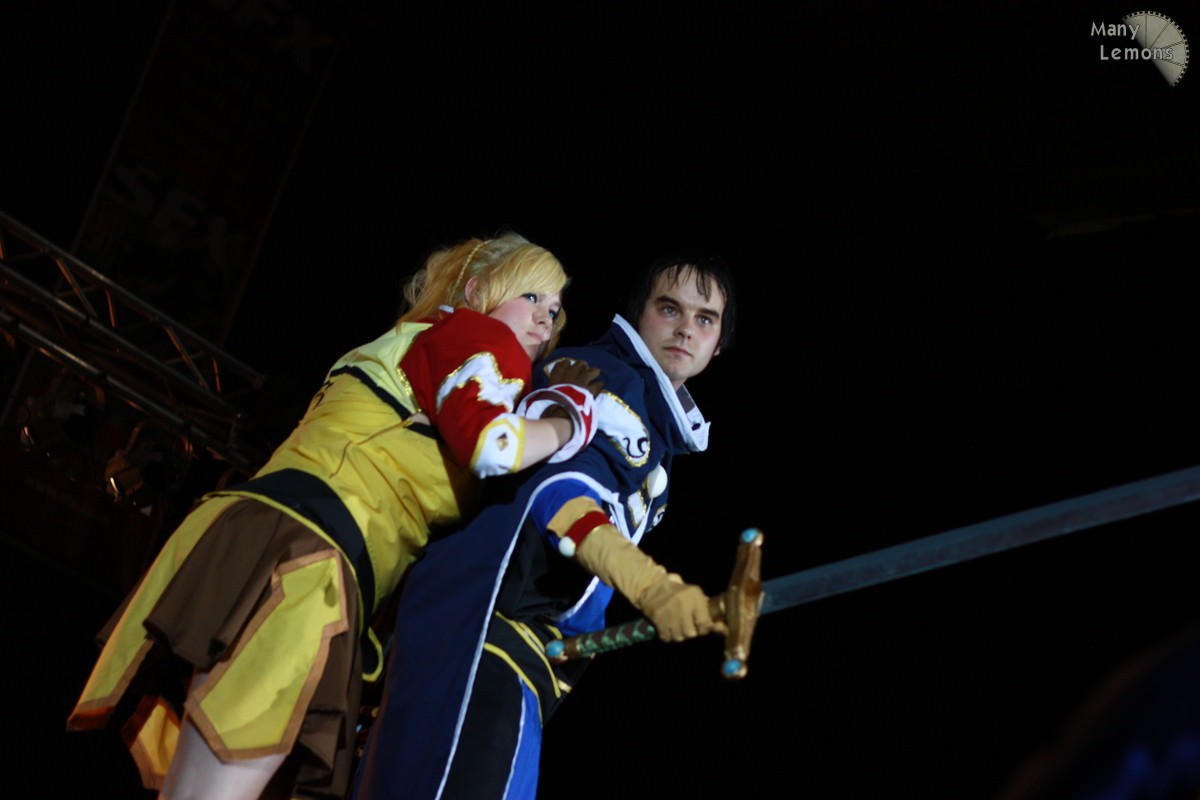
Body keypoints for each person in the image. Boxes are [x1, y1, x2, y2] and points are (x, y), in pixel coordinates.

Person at [67, 233, 603, 800]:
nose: (545, 320)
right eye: (531, 297)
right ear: (477, 292)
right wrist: (571, 417)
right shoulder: (477, 337)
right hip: (307, 564)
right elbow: (493, 446)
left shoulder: (411, 340)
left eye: (555, 309)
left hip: (262, 535)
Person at [355, 248, 736, 800]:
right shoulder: (604, 375)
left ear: (719, 342)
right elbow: (556, 495)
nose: (685, 329)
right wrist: (652, 586)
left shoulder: (660, 430)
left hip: (524, 658)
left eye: (705, 319)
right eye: (669, 308)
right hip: (482, 632)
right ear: (638, 314)